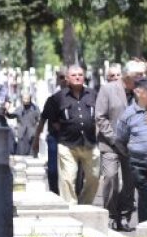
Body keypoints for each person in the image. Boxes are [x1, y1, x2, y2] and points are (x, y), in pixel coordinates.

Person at [34, 64, 99, 204]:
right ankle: (71, 208)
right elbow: (49, 119)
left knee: (94, 177)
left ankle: (84, 204)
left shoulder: (93, 94)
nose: (77, 77)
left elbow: (99, 116)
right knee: (67, 178)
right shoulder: (57, 98)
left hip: (90, 143)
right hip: (67, 144)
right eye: (74, 75)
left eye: (80, 75)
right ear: (67, 79)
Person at [96, 61, 144, 231]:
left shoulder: (142, 90)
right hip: (111, 144)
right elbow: (100, 117)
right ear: (127, 76)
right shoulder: (108, 89)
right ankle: (110, 214)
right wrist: (114, 139)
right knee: (110, 177)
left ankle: (124, 215)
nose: (141, 79)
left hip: (133, 145)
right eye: (138, 76)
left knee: (130, 183)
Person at [114, 77, 147, 223]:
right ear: (138, 92)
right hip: (139, 164)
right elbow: (120, 140)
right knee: (145, 193)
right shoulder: (128, 114)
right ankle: (144, 227)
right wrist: (132, 154)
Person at [12, 91, 41, 156]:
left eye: (27, 99)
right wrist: (6, 114)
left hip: (31, 135)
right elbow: (12, 115)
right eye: (24, 99)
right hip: (22, 135)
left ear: (30, 99)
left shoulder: (35, 109)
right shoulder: (19, 109)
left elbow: (40, 119)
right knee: (21, 155)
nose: (25, 101)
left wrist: (37, 132)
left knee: (31, 156)